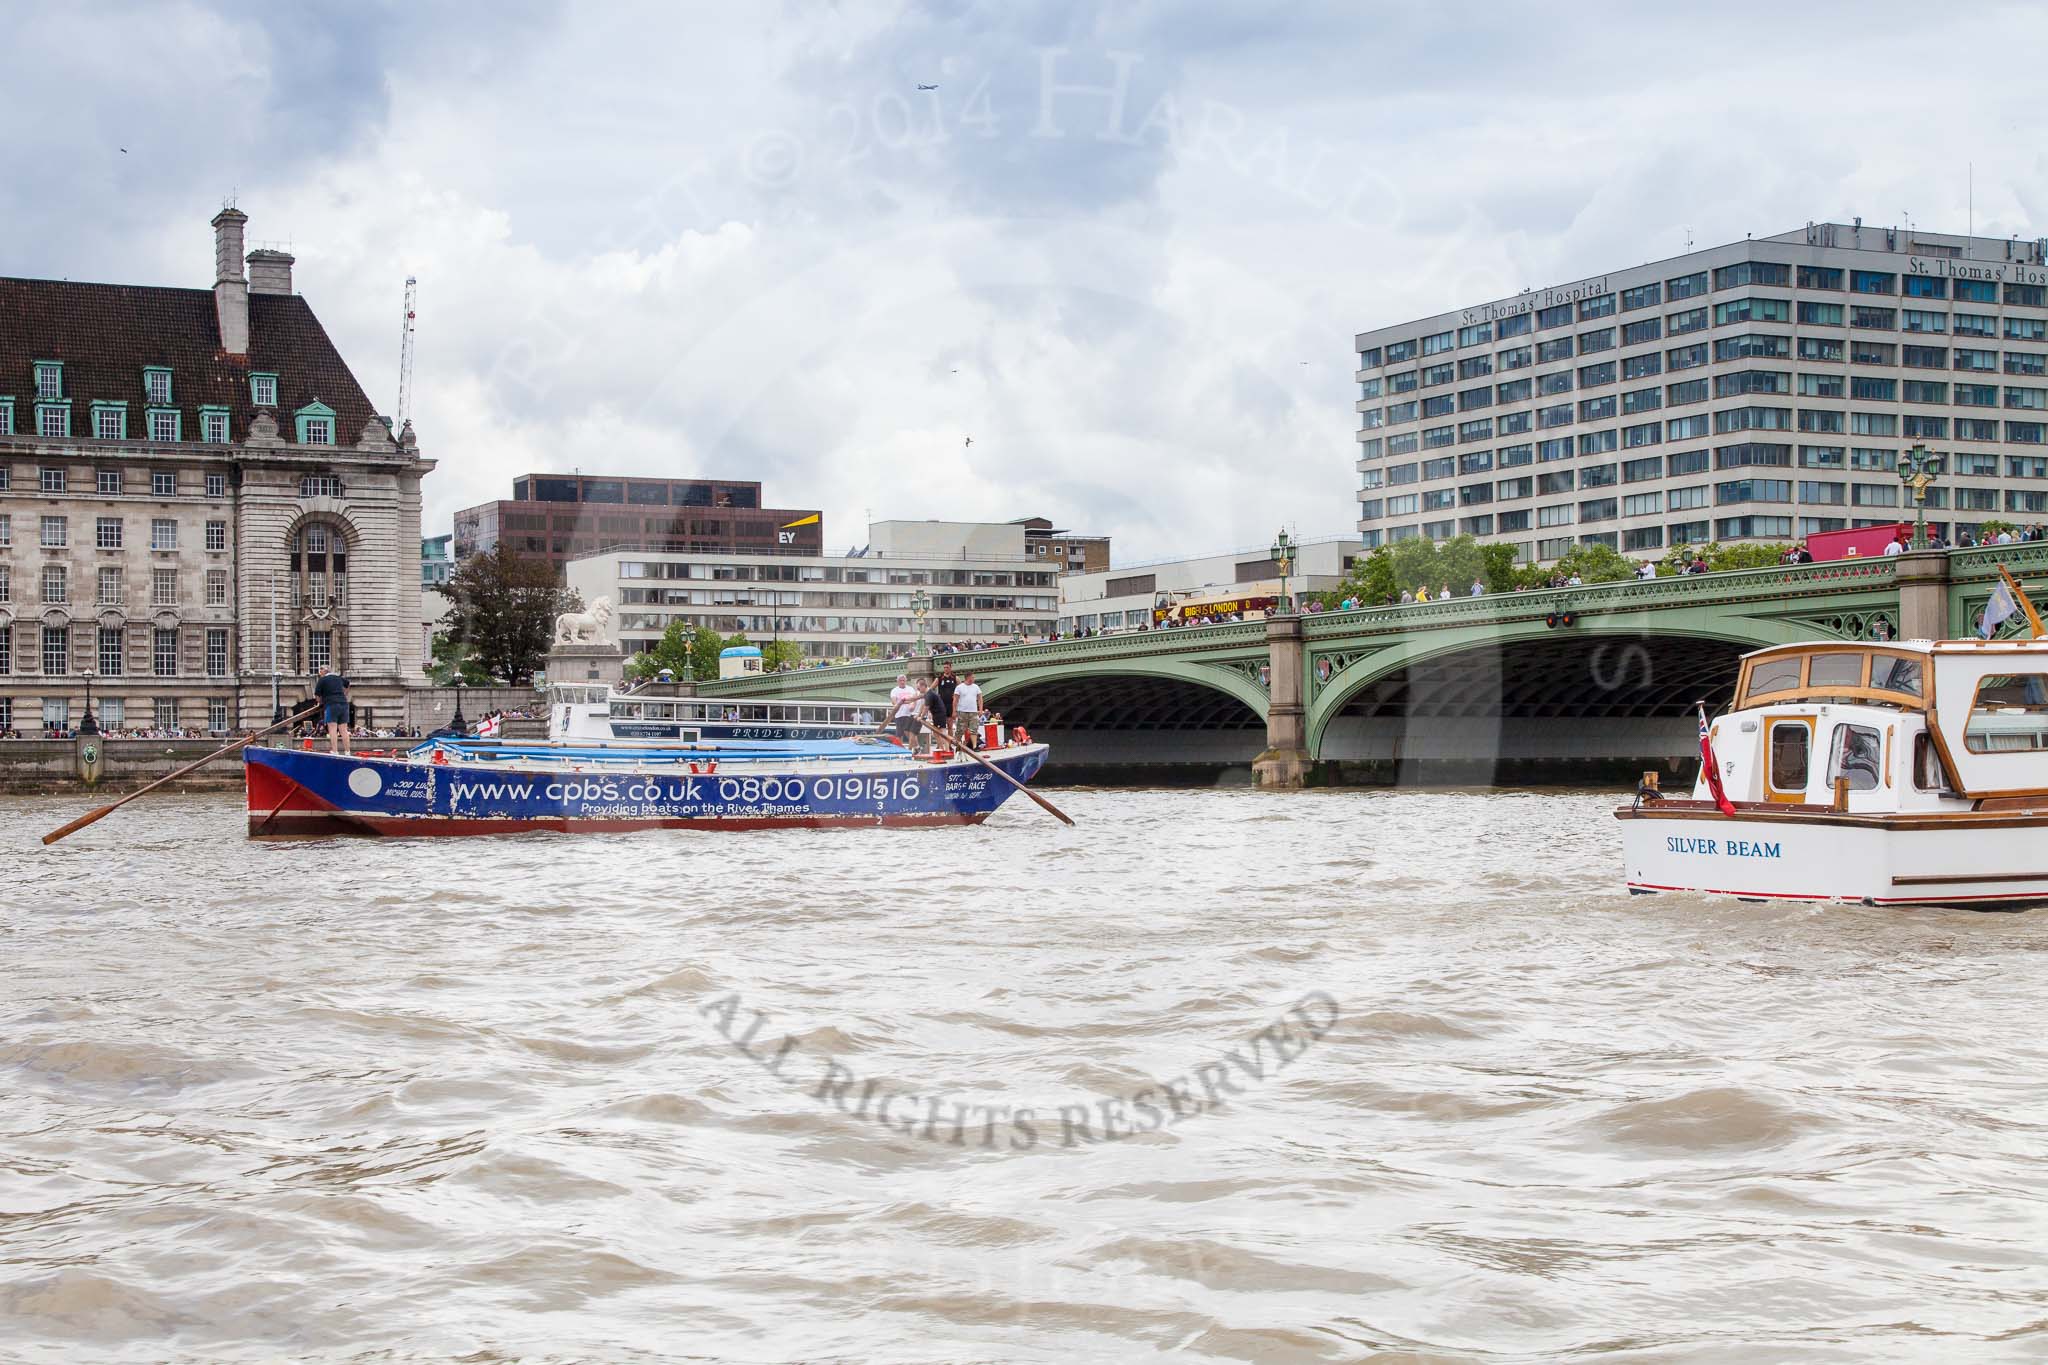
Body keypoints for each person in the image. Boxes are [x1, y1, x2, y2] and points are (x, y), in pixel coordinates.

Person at [313, 662, 351, 754]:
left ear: (324, 671)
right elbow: (348, 684)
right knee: (344, 730)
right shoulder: (338, 678)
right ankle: (347, 752)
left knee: (332, 728)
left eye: (320, 670)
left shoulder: (322, 680)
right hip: (343, 704)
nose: (319, 673)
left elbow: (317, 695)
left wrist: (320, 703)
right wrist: (345, 694)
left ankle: (335, 751)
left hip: (331, 704)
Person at [953, 671, 984, 748]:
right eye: (973, 677)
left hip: (973, 711)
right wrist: (954, 711)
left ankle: (974, 746)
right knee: (960, 730)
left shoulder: (976, 687)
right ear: (968, 677)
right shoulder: (959, 687)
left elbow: (980, 699)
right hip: (962, 711)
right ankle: (958, 745)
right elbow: (955, 700)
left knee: (974, 729)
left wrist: (980, 710)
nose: (974, 678)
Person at [888, 674, 920, 747]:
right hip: (899, 714)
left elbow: (914, 699)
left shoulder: (911, 689)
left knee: (911, 732)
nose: (902, 682)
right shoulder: (894, 690)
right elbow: (894, 701)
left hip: (910, 714)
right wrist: (901, 703)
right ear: (897, 681)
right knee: (899, 734)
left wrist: (911, 704)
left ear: (906, 681)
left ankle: (916, 747)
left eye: (903, 680)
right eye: (900, 680)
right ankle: (900, 748)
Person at [932, 661, 959, 740]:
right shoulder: (939, 679)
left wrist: (957, 697)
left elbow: (961, 689)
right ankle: (941, 743)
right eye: (944, 668)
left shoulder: (955, 678)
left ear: (950, 668)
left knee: (950, 726)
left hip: (951, 704)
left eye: (947, 667)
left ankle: (949, 743)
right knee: (941, 726)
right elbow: (930, 689)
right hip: (941, 705)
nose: (946, 669)